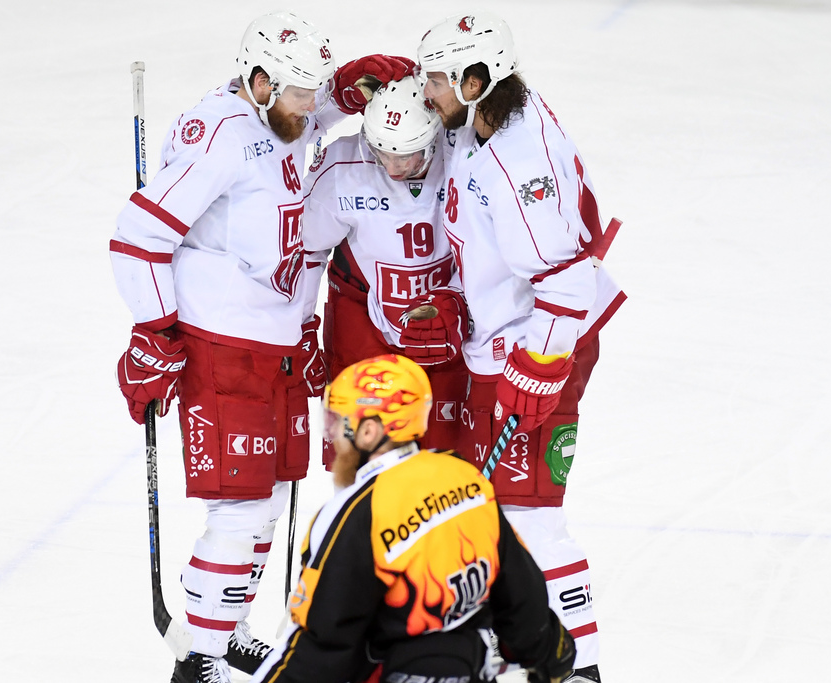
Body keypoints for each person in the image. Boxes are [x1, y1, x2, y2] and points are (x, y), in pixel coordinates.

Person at [109, 11, 413, 683]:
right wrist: (156, 329)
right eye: (303, 93)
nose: (314, 108)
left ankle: (224, 624)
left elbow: (307, 112)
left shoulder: (280, 113)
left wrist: (351, 88)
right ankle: (200, 659)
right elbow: (138, 238)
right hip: (222, 346)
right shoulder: (216, 134)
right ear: (258, 82)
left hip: (274, 344)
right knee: (240, 507)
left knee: (271, 499)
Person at [415, 12, 627, 683]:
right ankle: (524, 651)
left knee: (528, 517)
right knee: (496, 511)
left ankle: (581, 667)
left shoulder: (515, 164)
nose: (428, 92)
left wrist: (539, 366)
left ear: (478, 81)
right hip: (512, 341)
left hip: (545, 346)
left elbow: (566, 280)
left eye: (441, 80)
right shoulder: (489, 114)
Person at [250, 354, 577, 683]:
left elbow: (322, 646)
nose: (333, 437)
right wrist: (552, 653)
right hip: (470, 667)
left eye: (339, 422)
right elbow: (521, 596)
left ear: (368, 431)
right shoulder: (466, 478)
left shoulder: (353, 514)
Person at [301, 74, 469, 458]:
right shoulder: (344, 166)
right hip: (363, 323)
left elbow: (495, 250)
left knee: (445, 458)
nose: (392, 169)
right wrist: (302, 327)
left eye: (405, 156)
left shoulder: (465, 155)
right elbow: (305, 251)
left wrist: (459, 304)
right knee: (361, 460)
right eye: (382, 154)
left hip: (446, 323)